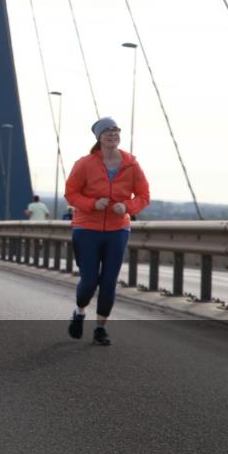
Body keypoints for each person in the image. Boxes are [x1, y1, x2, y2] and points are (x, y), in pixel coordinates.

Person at [64, 117, 150, 346]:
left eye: (115, 130)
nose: (112, 134)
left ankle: (100, 329)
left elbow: (144, 195)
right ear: (99, 137)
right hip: (86, 228)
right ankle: (80, 312)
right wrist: (93, 204)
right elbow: (71, 194)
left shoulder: (131, 165)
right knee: (89, 281)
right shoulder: (85, 164)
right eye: (107, 131)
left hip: (117, 230)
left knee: (109, 281)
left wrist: (128, 207)